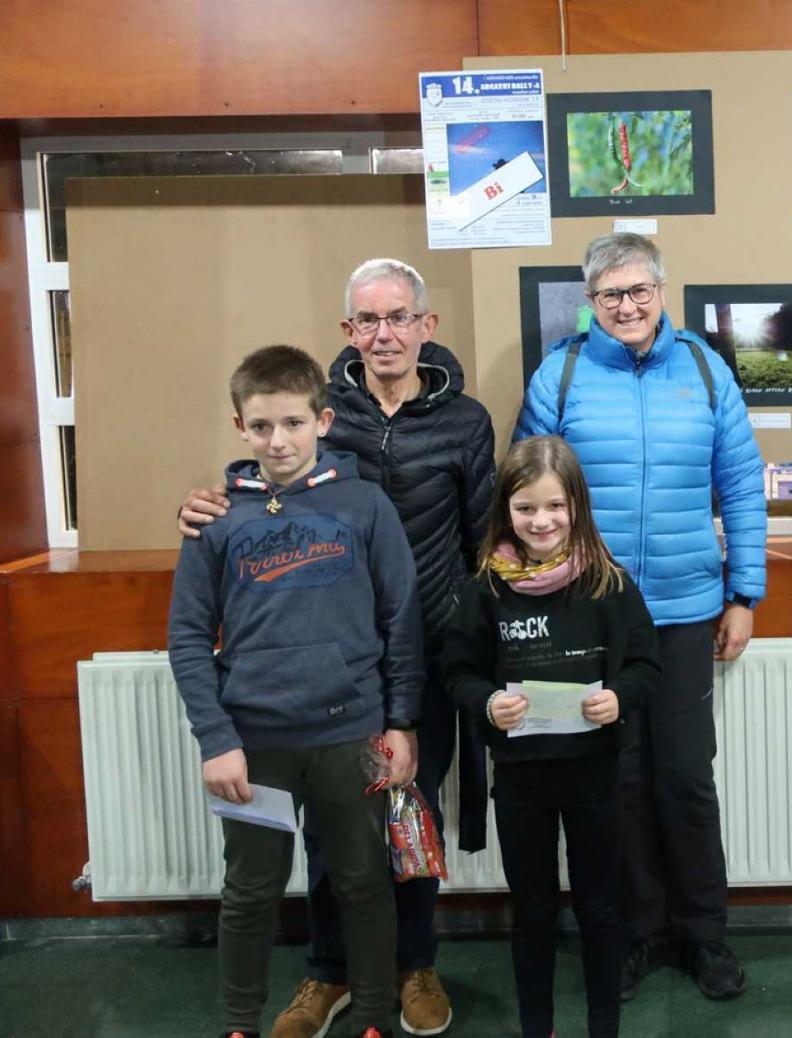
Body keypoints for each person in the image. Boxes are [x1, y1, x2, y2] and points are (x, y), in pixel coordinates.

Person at [178, 259, 495, 1037]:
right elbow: (264, 487)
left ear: (426, 325)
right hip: (319, 676)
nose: (383, 333)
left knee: (404, 819)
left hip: (422, 655)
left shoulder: (466, 420)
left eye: (398, 317)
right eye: (366, 320)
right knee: (330, 836)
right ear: (348, 333)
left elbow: (484, 533)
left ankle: (413, 966)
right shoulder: (325, 408)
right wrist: (206, 500)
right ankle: (329, 972)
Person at [513, 233, 767, 1001]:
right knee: (615, 783)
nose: (626, 306)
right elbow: (526, 495)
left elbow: (743, 485)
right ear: (589, 302)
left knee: (686, 779)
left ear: (662, 293)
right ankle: (632, 932)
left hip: (689, 611)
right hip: (593, 616)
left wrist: (744, 595)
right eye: (609, 295)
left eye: (638, 291)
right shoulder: (560, 374)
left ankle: (704, 936)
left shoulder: (702, 368)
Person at [168, 345, 424, 1038]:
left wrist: (401, 722)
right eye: (261, 426)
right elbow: (188, 638)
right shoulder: (216, 519)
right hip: (256, 745)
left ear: (323, 419)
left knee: (363, 882)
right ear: (239, 426)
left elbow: (401, 619)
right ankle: (240, 1022)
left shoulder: (365, 504)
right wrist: (217, 740)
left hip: (351, 736)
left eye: (291, 423)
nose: (278, 441)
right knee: (250, 892)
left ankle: (372, 1013)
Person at [442, 435, 661, 1038]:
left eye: (555, 506)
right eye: (526, 508)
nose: (542, 521)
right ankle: (538, 1028)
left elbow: (647, 666)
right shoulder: (486, 589)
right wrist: (488, 703)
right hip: (520, 782)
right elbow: (457, 673)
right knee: (532, 914)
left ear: (577, 508)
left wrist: (620, 698)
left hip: (595, 775)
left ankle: (603, 1028)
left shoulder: (608, 583)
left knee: (600, 910)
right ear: (505, 513)